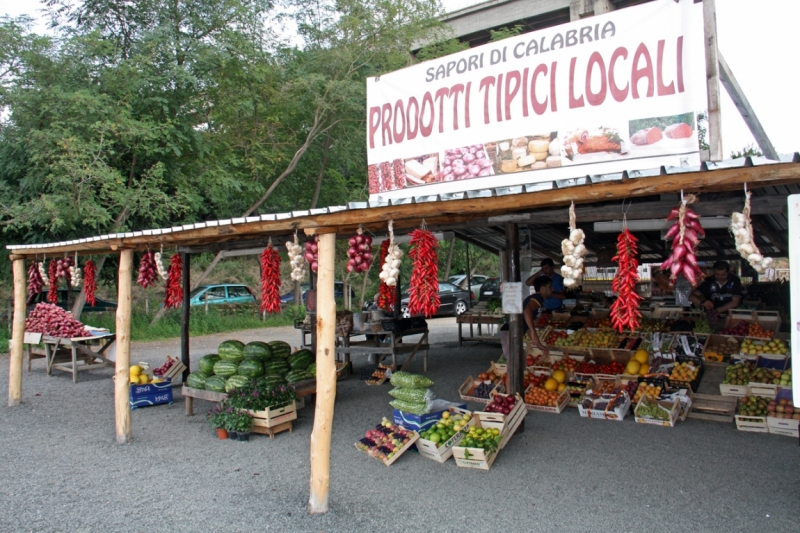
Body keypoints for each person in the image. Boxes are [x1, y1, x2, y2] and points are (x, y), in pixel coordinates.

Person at [522, 276, 552, 357]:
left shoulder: (538, 299)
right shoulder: (537, 297)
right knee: (513, 363)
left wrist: (539, 344)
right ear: (543, 289)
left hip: (515, 332)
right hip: (509, 331)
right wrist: (533, 331)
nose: (552, 289)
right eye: (550, 287)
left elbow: (527, 325)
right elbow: (526, 310)